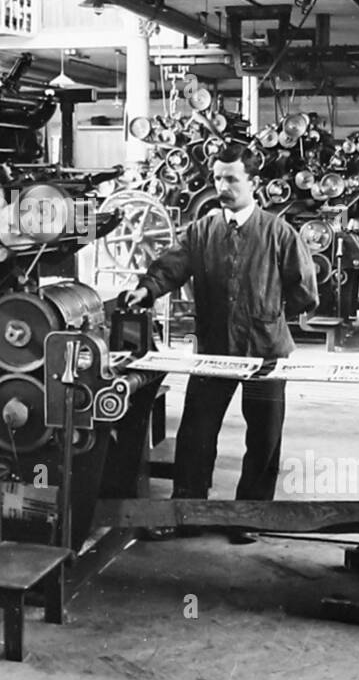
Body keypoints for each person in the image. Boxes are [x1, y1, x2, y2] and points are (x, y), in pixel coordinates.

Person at [125, 145, 319, 542]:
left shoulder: (278, 232)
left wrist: (271, 313)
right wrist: (145, 290)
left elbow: (305, 289)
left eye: (232, 179)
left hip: (266, 351)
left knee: (263, 437)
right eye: (218, 179)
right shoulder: (203, 230)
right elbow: (171, 267)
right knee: (197, 430)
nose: (223, 187)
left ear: (254, 184)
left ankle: (250, 515)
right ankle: (187, 509)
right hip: (214, 349)